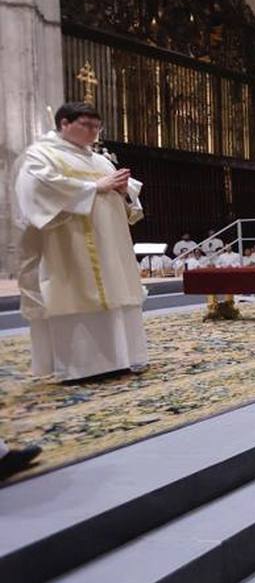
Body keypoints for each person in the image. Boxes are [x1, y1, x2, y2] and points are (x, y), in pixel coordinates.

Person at [15, 101, 149, 380]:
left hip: (110, 245)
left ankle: (122, 358)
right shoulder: (42, 155)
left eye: (97, 126)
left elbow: (129, 204)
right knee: (77, 296)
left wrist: (125, 191)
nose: (93, 131)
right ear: (64, 123)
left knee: (117, 293)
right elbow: (36, 191)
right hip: (70, 246)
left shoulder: (100, 160)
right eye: (86, 125)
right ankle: (82, 366)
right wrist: (92, 188)